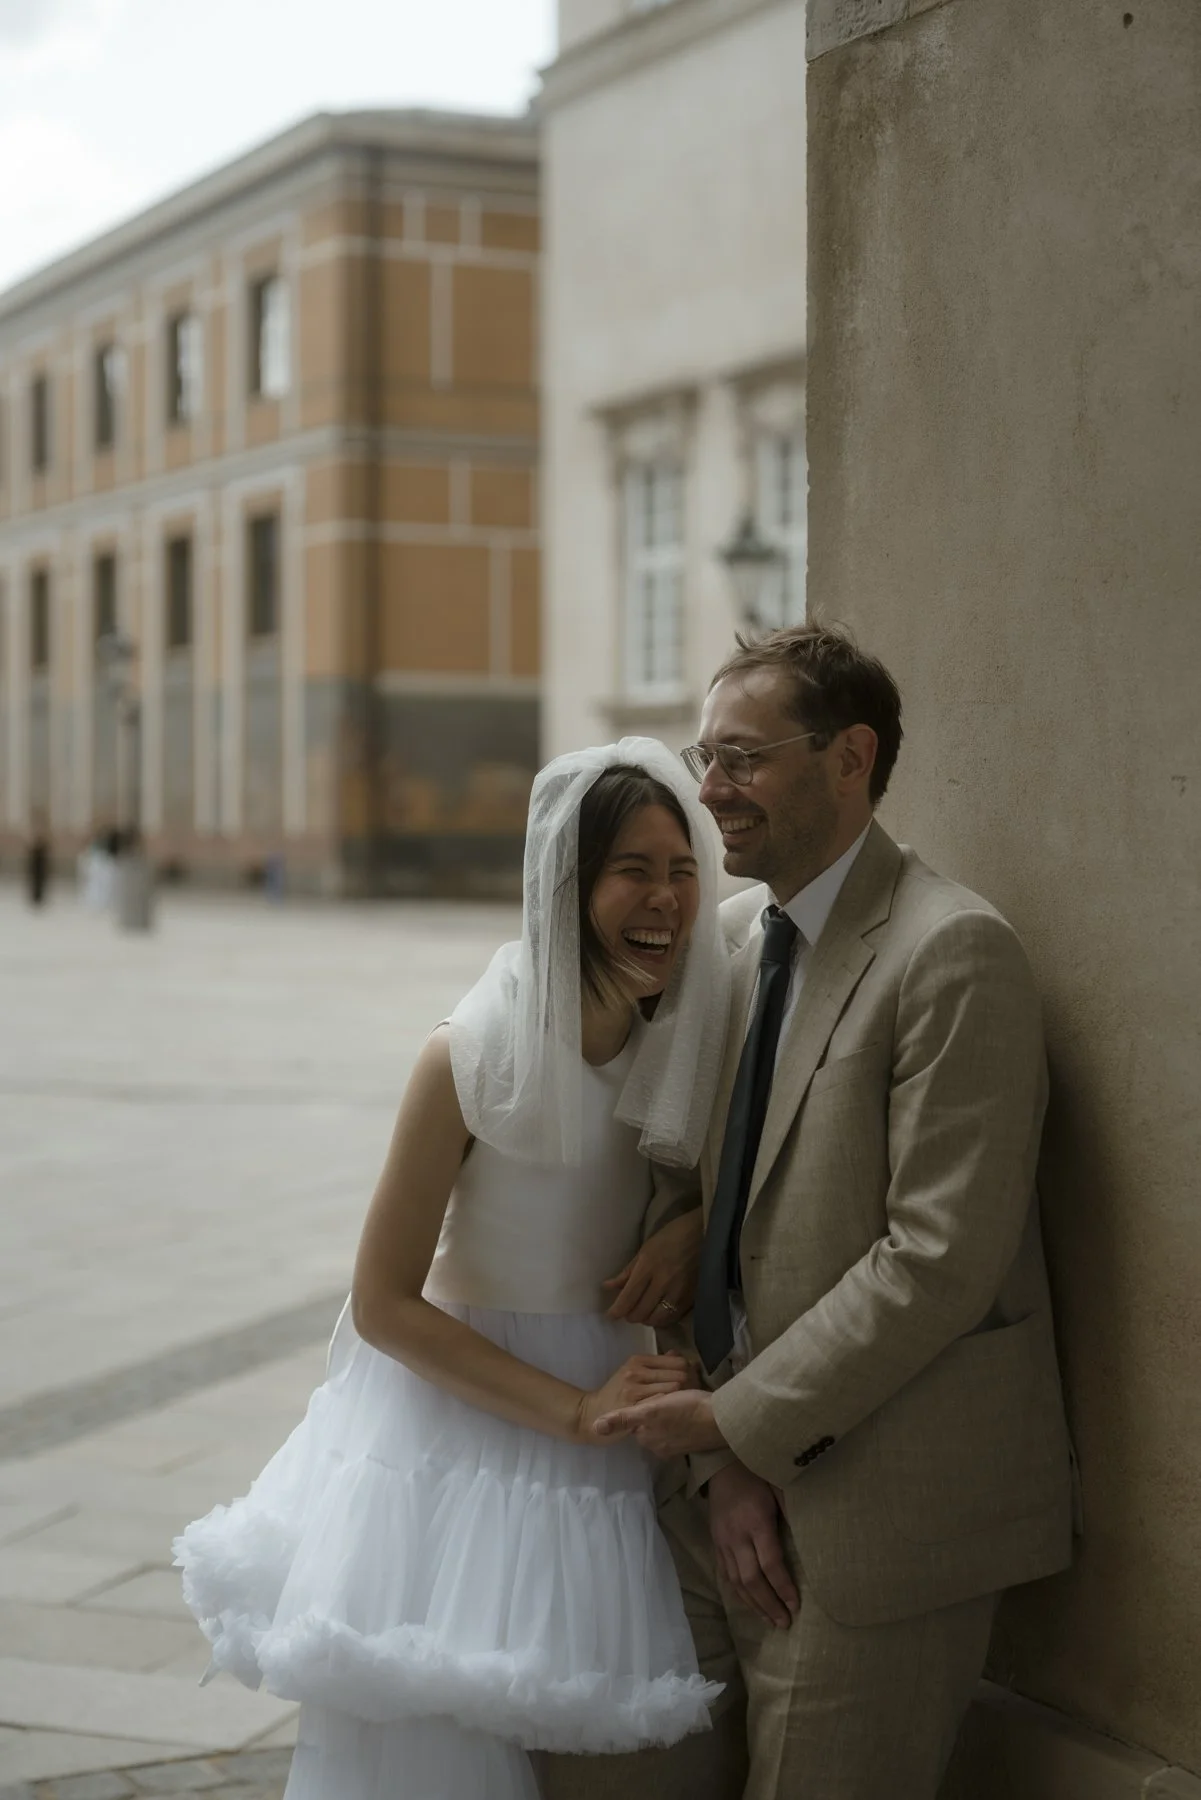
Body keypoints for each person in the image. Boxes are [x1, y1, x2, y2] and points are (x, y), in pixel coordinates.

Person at [175, 738, 733, 1800]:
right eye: (632, 871)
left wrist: (691, 1223)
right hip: (472, 1416)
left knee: (585, 1752)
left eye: (681, 868)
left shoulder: (679, 1030)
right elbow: (382, 1303)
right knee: (440, 1749)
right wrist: (570, 1411)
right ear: (565, 886)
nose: (664, 898)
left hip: (612, 1416)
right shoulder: (470, 1055)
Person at [571, 625, 1075, 1800]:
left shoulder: (953, 953)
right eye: (707, 755)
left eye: (741, 760)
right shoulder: (741, 943)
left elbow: (935, 1264)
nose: (707, 790)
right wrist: (728, 1460)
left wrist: (733, 1427)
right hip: (718, 1496)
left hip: (880, 1529)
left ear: (849, 758)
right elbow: (684, 1187)